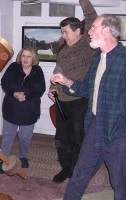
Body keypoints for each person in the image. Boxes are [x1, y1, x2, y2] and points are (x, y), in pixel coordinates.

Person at [51, 14, 126, 200]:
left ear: (107, 31)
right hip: (95, 126)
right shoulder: (98, 58)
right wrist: (67, 81)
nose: (89, 32)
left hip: (117, 131)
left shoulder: (124, 60)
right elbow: (86, 88)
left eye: (93, 28)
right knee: (80, 172)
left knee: (119, 180)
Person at [48, 0, 97, 183]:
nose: (63, 35)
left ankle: (77, 171)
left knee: (78, 139)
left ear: (78, 30)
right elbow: (57, 70)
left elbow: (91, 17)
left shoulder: (87, 44)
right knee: (62, 137)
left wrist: (84, 1)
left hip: (80, 100)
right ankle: (66, 168)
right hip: (62, 100)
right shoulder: (62, 48)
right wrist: (53, 88)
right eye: (62, 32)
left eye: (66, 32)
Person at [0, 47, 46, 174]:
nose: (25, 58)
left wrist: (26, 95)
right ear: (20, 57)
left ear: (33, 58)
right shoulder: (13, 67)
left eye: (29, 56)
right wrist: (14, 93)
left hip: (29, 110)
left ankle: (23, 156)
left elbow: (40, 89)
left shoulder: (38, 70)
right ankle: (3, 159)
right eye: (23, 55)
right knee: (7, 135)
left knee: (25, 137)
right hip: (11, 108)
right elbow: (5, 82)